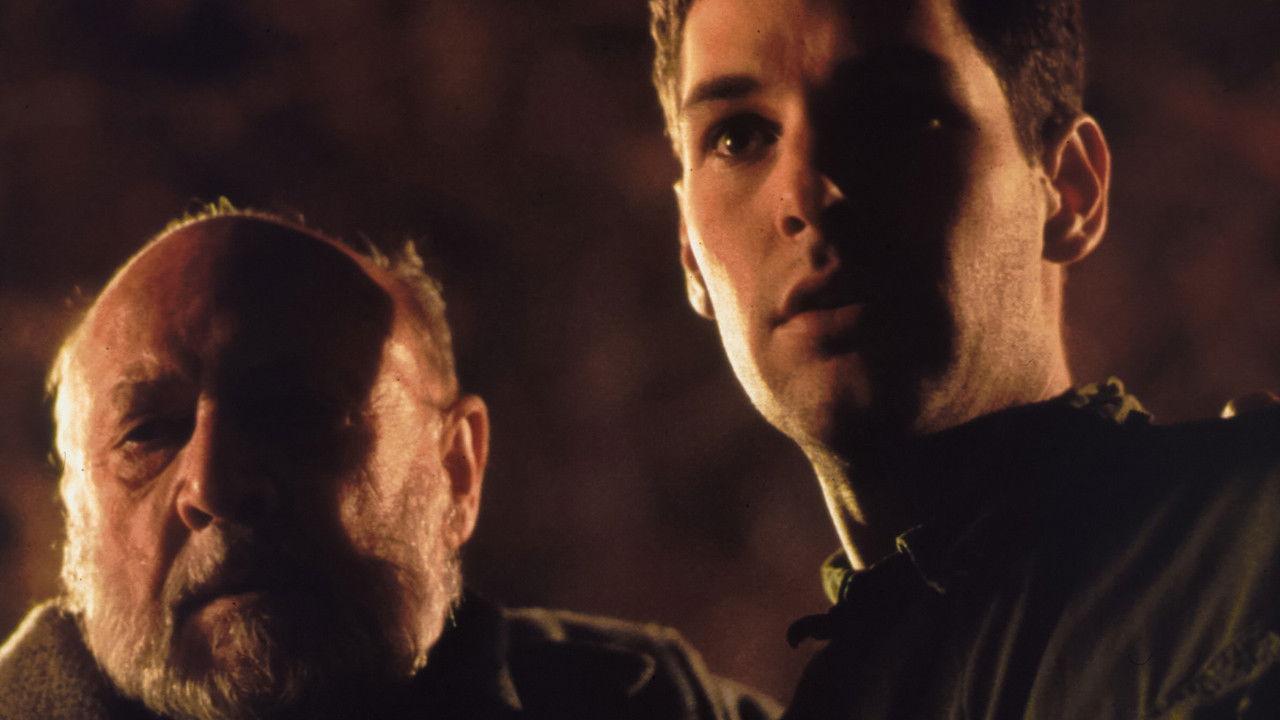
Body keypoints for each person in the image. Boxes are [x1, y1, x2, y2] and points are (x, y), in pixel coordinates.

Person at [648, 0, 1280, 716]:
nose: (805, 191)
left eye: (893, 112)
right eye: (738, 137)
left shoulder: (1245, 550)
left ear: (1070, 190)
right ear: (689, 251)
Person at [0, 207, 779, 720]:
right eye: (145, 433)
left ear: (458, 469)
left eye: (294, 408)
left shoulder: (642, 702)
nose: (212, 483)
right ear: (76, 513)